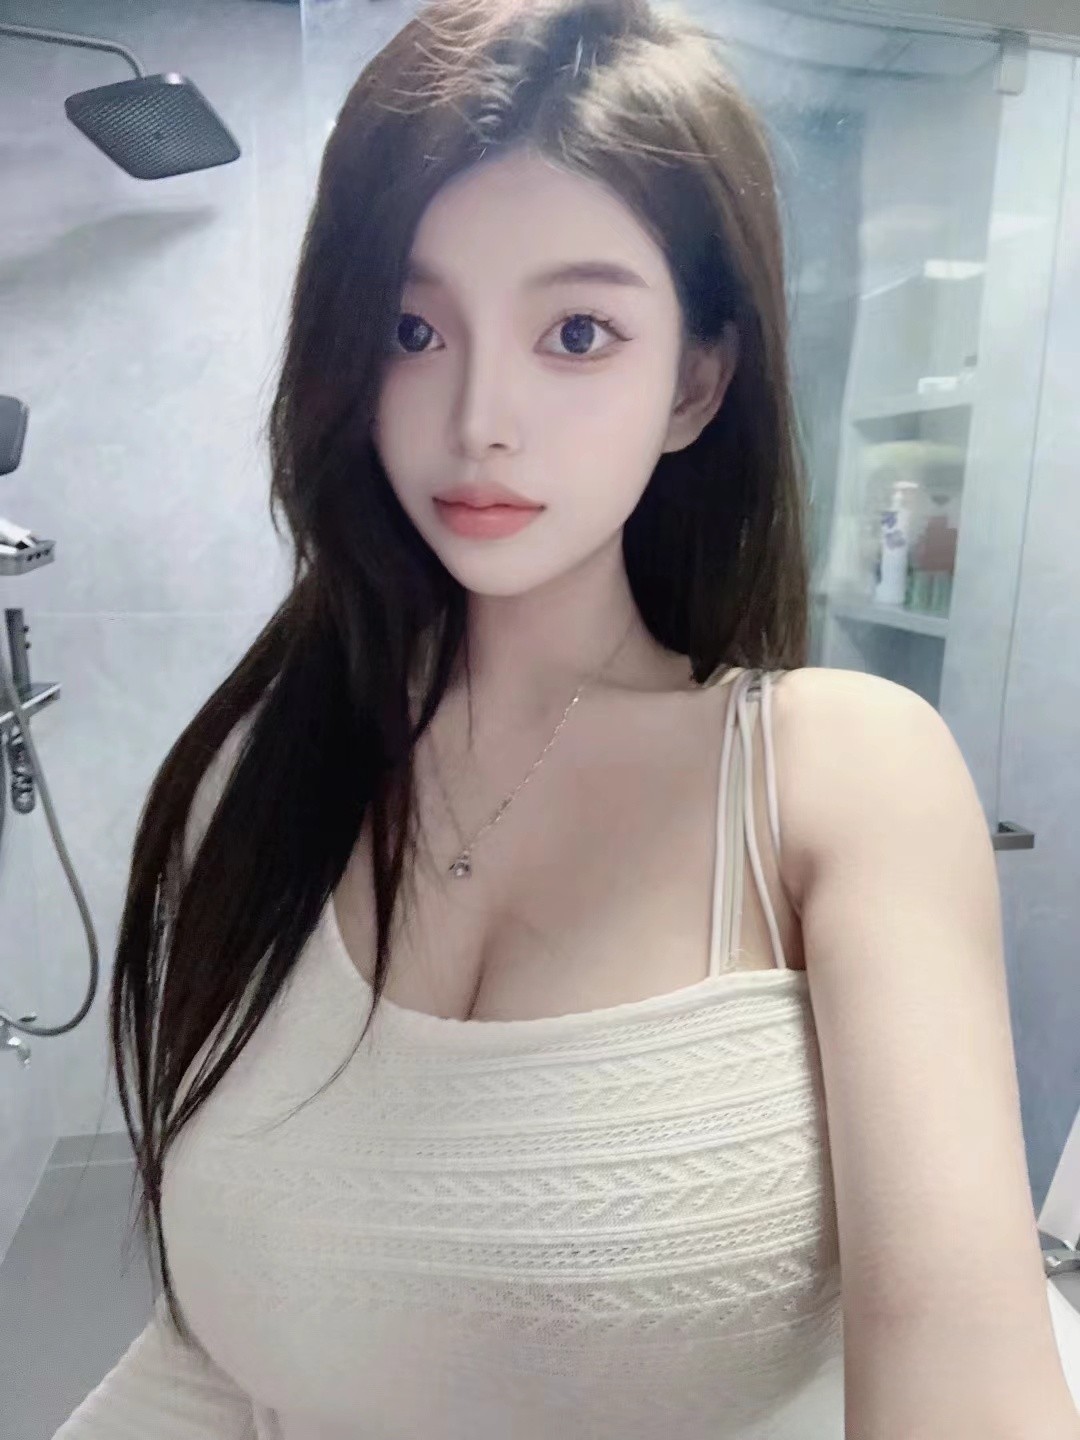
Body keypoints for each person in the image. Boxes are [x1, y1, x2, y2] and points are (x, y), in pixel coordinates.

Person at [55, 1, 1078, 1437]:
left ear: (697, 382)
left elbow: (964, 1379)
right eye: (412, 328)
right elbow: (223, 1346)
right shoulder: (261, 774)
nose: (479, 416)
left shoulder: (832, 773)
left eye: (579, 332)